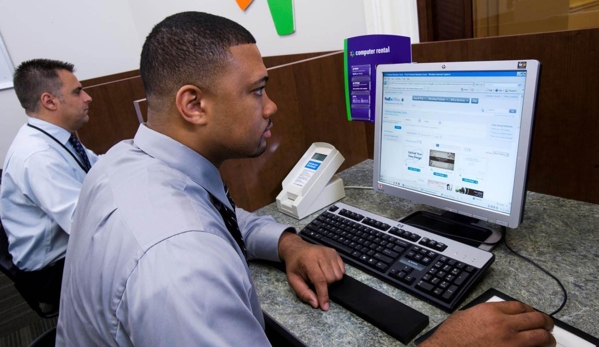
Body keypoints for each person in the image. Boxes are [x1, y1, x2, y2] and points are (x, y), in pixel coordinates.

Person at [56, 12, 556, 347]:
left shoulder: (125, 160)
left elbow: (222, 217)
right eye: (257, 91)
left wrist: (290, 242)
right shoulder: (181, 270)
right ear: (194, 104)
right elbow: (190, 239)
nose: (271, 106)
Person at [1, 59, 97, 308]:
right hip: (52, 271)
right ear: (49, 101)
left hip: (69, 250)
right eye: (77, 91)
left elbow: (99, 167)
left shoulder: (54, 138)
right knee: (147, 263)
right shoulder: (37, 156)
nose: (88, 98)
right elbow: (86, 223)